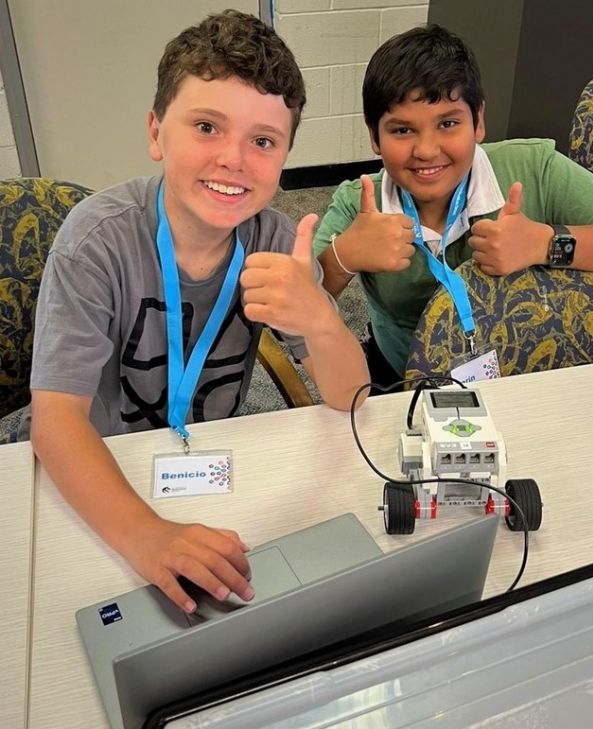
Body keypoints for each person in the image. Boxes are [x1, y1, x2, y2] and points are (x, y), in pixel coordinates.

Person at [21, 10, 370, 613]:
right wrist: (148, 536)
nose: (234, 158)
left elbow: (353, 399)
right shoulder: (97, 242)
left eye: (263, 141)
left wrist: (320, 318)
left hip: (208, 467)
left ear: (284, 155)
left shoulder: (277, 243)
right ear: (157, 132)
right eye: (207, 127)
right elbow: (54, 423)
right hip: (100, 471)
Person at [313, 24, 593, 386]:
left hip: (527, 371)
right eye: (402, 130)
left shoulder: (532, 167)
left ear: (478, 121)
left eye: (448, 123)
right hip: (403, 377)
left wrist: (545, 243)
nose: (426, 150)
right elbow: (288, 314)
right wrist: (343, 257)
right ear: (375, 137)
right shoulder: (359, 205)